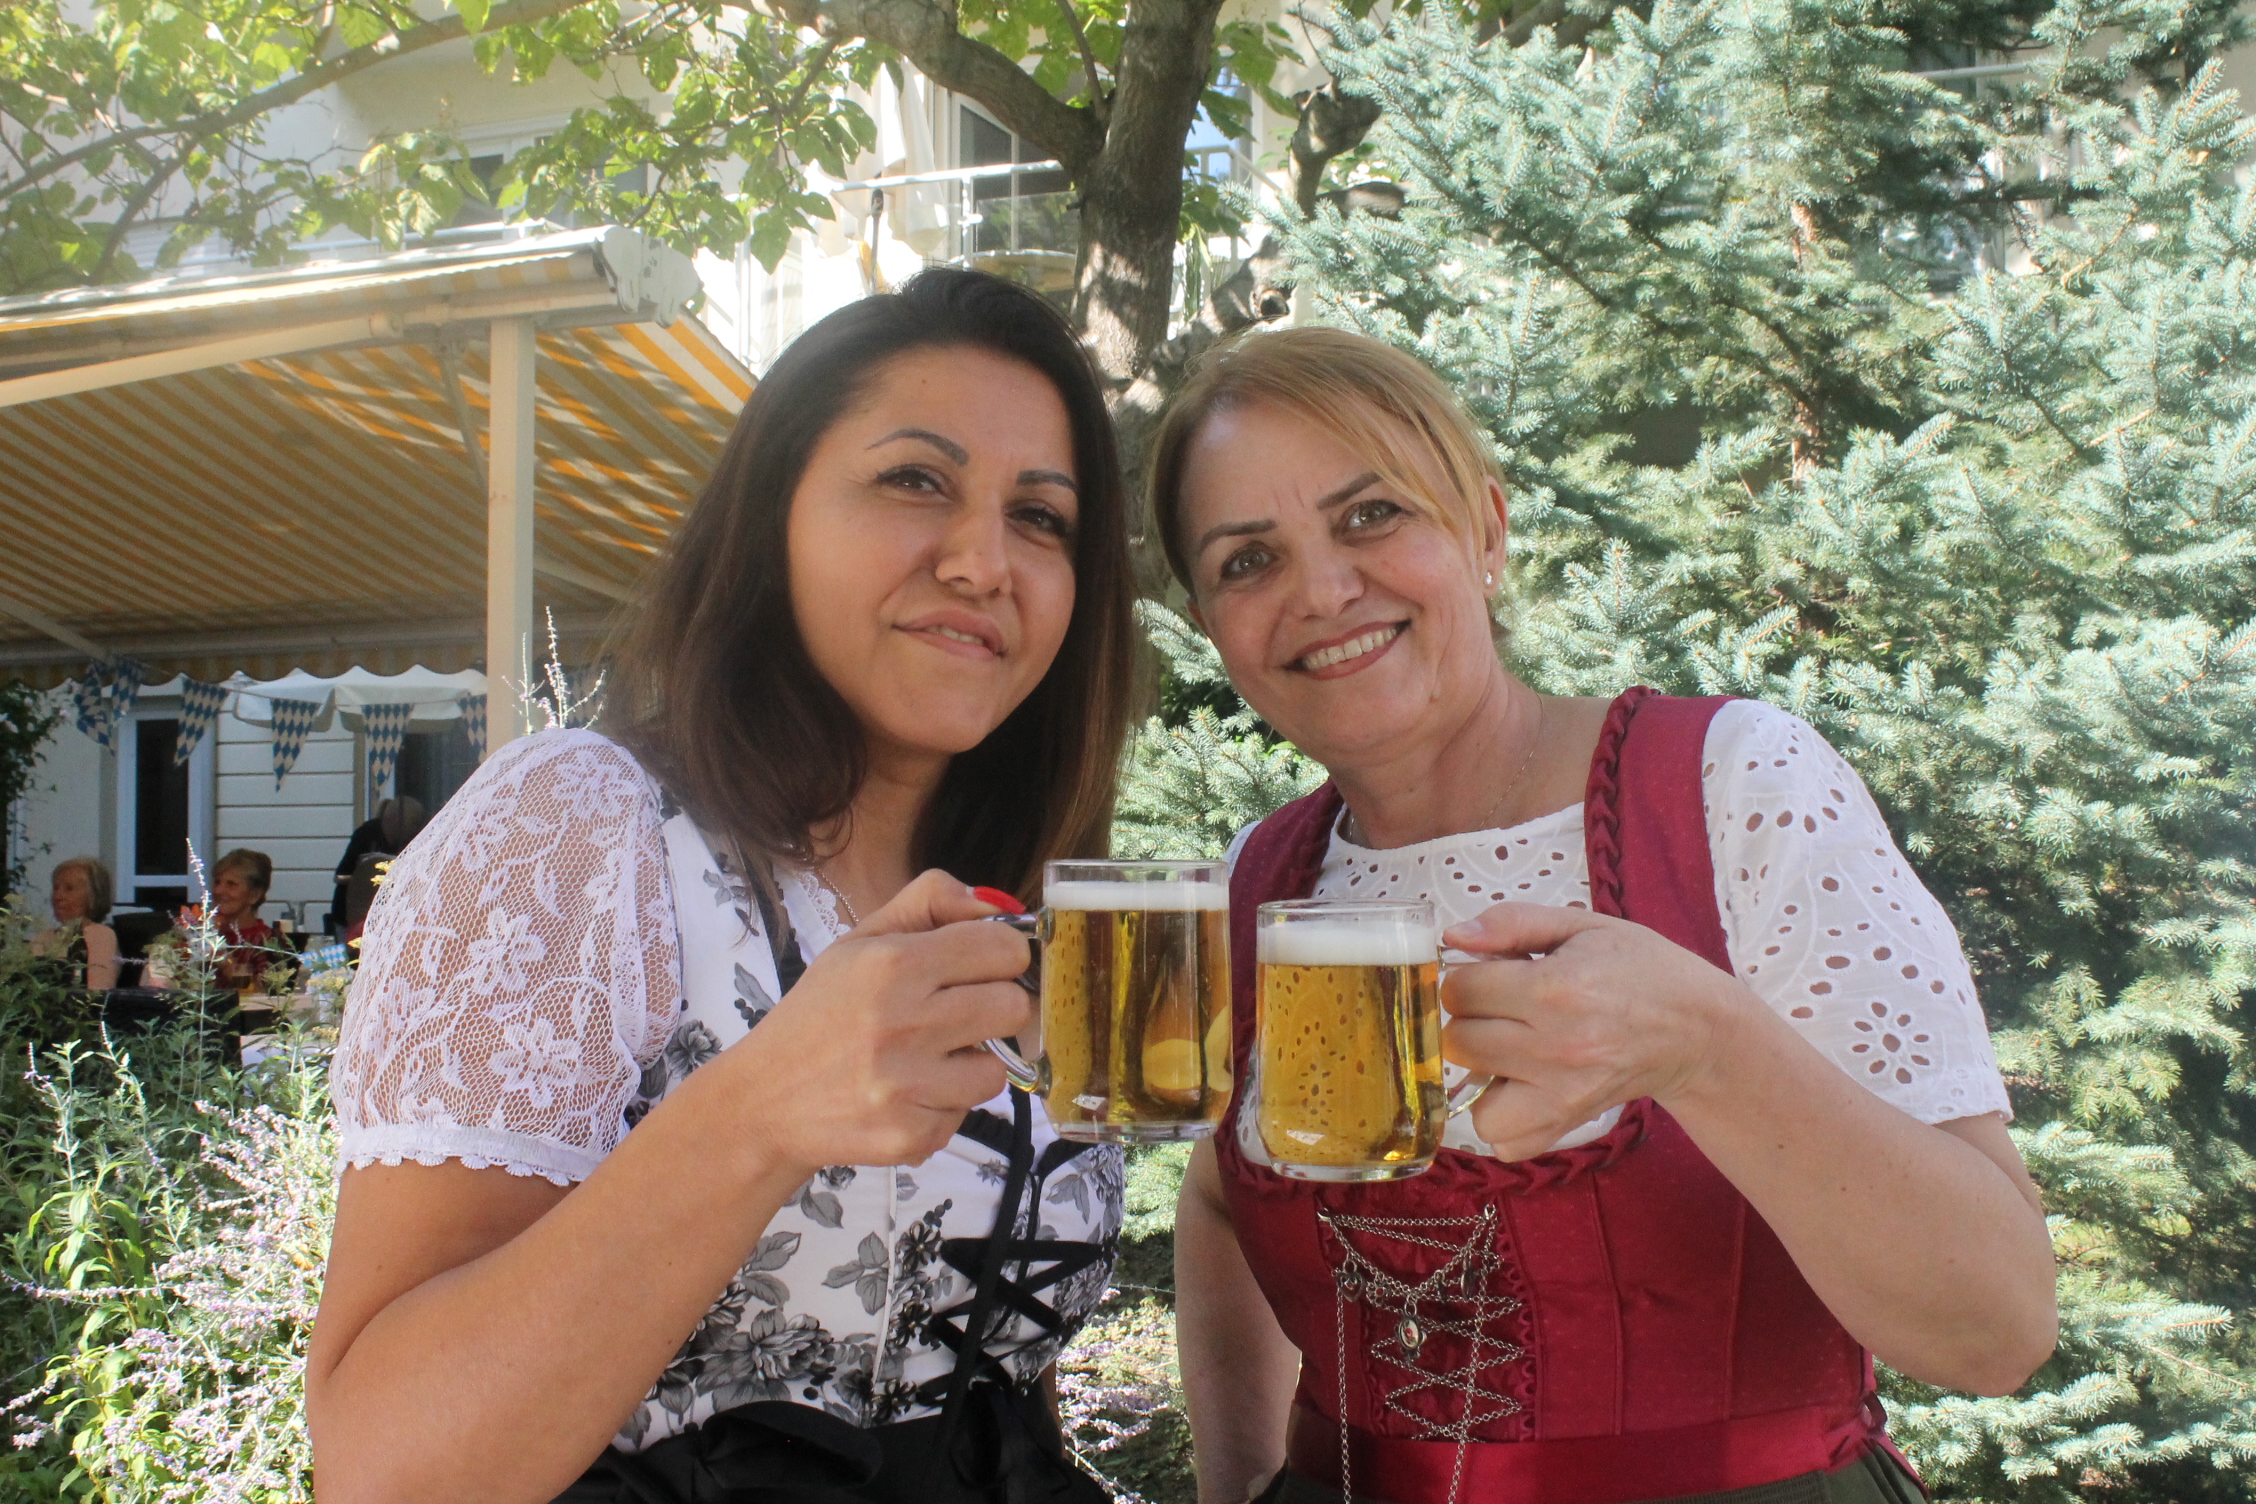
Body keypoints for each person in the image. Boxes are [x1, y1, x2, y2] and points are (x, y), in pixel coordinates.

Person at [1150, 329, 2059, 1504]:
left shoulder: (1733, 788)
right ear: (1209, 623)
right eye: (1248, 560)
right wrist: (1242, 1484)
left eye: (1372, 515)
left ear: (1485, 528)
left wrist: (1708, 1050)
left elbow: (2000, 1328)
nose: (1321, 591)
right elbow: (1224, 1200)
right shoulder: (1257, 880)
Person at [307, 268, 1140, 1504]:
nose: (984, 561)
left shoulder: (1016, 895)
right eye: (917, 480)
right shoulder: (583, 828)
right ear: (773, 514)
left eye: (1042, 517)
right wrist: (758, 1113)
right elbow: (383, 1470)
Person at [329, 795, 427, 935]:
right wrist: (367, 874)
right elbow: (341, 875)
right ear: (395, 820)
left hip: (388, 920)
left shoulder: (413, 840)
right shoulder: (366, 836)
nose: (417, 830)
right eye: (414, 823)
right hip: (351, 918)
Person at [31, 856, 119, 990]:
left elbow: (97, 992)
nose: (57, 896)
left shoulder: (101, 935)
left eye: (69, 889)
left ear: (92, 896)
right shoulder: (43, 936)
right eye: (56, 888)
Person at [206, 847, 282, 992]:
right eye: (217, 882)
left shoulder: (267, 941)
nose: (218, 890)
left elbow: (264, 995)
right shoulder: (205, 935)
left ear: (255, 895)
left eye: (231, 884)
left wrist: (225, 962)